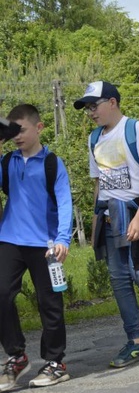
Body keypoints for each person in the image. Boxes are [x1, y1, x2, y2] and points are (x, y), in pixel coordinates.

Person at [74, 81, 139, 367]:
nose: (91, 113)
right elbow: (99, 182)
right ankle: (136, 342)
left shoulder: (136, 129)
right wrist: (97, 220)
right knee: (119, 280)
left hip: (136, 212)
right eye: (87, 109)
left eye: (93, 106)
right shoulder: (94, 138)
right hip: (109, 217)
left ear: (112, 102)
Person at [0, 104, 73, 389]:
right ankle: (16, 357)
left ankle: (56, 363)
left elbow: (65, 202)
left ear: (39, 128)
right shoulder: (7, 162)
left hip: (46, 245)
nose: (16, 136)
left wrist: (64, 239)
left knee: (50, 304)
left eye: (21, 130)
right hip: (9, 239)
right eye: (12, 131)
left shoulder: (53, 162)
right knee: (1, 294)